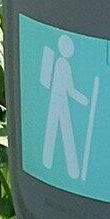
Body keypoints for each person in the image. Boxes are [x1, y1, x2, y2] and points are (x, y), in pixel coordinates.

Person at [41, 33, 89, 181]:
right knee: (65, 133)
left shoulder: (60, 63)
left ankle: (48, 162)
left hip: (57, 101)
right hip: (60, 101)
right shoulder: (63, 64)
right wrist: (83, 100)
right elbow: (70, 89)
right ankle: (73, 171)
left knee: (54, 132)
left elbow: (47, 81)